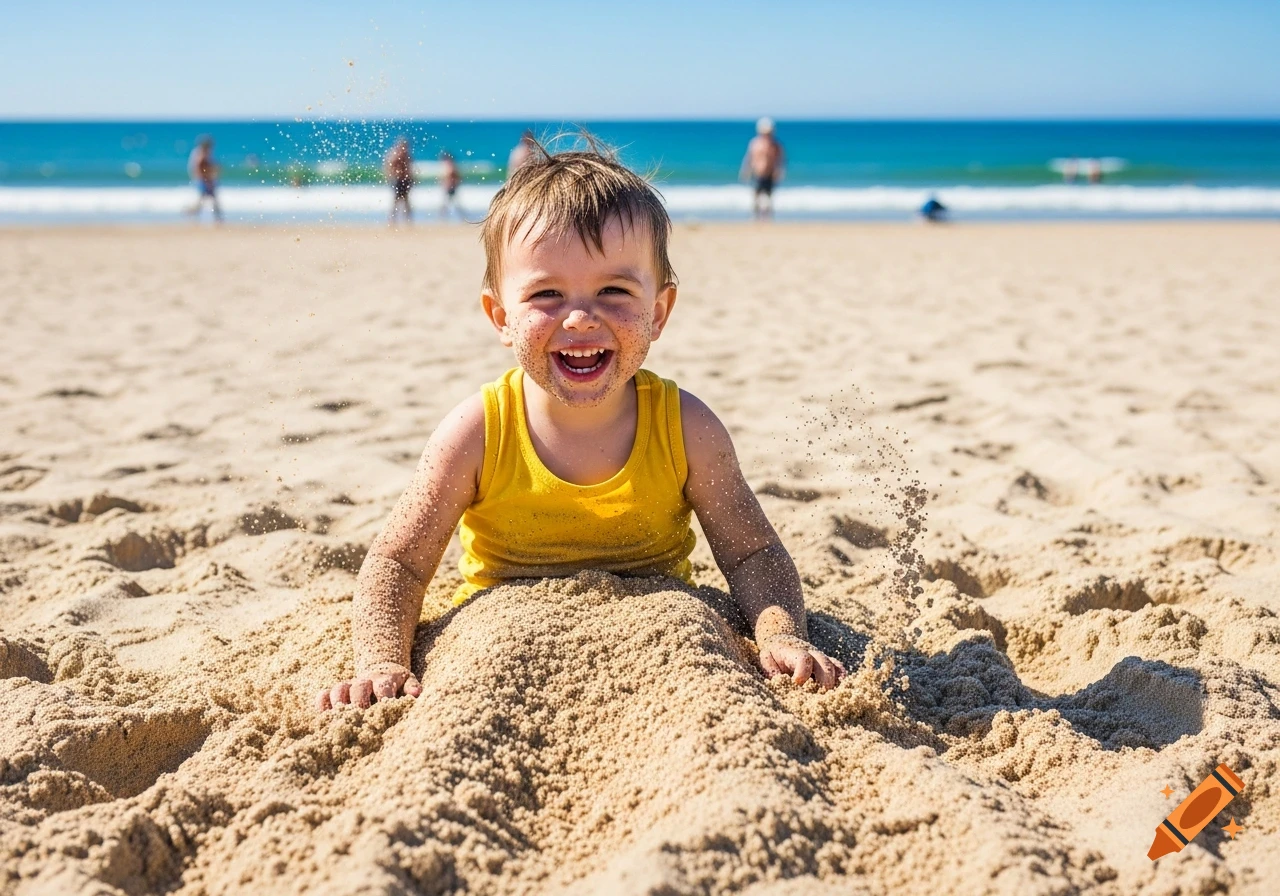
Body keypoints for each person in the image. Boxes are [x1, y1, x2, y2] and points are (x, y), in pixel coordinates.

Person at [317, 141, 846, 711]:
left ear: (660, 312)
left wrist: (782, 636)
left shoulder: (689, 427)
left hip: (666, 639)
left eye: (614, 291)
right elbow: (399, 561)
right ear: (501, 317)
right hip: (499, 641)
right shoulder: (476, 431)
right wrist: (381, 660)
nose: (579, 317)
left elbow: (752, 554)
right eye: (546, 293)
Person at [739, 117, 786, 220]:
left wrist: (779, 171)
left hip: (770, 173)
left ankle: (768, 217)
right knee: (756, 196)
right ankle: (755, 216)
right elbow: (749, 158)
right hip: (757, 173)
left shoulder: (775, 145)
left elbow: (780, 160)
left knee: (769, 197)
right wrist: (745, 171)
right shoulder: (755, 143)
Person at [186, 136, 222, 222]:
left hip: (204, 180)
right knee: (206, 200)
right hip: (203, 180)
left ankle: (217, 218)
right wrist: (205, 180)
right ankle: (191, 214)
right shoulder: (201, 154)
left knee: (208, 200)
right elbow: (199, 167)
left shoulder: (201, 153)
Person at [384, 137, 415, 224]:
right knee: (396, 201)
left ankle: (407, 220)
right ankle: (392, 220)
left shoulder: (407, 155)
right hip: (398, 180)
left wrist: (412, 179)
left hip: (405, 180)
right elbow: (389, 166)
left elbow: (409, 169)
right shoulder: (395, 154)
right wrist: (390, 177)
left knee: (405, 201)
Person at [439, 150, 463, 220]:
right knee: (451, 202)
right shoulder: (451, 165)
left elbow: (453, 176)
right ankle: (443, 216)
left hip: (450, 186)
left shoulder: (450, 166)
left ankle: (442, 216)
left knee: (448, 202)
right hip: (450, 186)